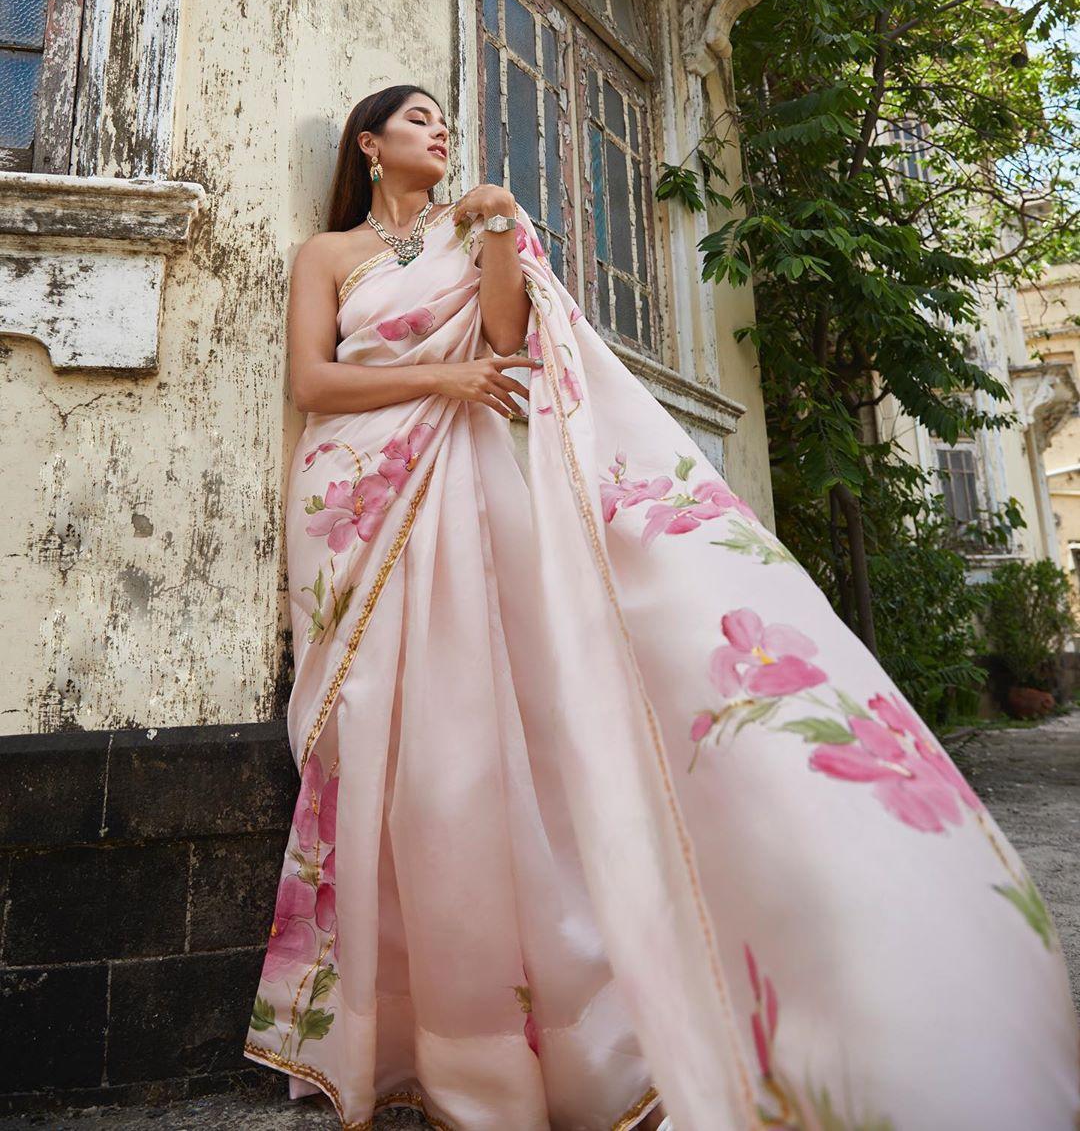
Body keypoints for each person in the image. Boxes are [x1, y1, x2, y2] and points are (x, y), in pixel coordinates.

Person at [243, 84, 1080, 1131]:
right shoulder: (327, 256)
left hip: (463, 498)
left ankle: (498, 1044)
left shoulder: (477, 232)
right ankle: (382, 1024)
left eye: (444, 118)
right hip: (358, 502)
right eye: (415, 119)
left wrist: (500, 224)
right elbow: (315, 383)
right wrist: (444, 388)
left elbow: (507, 338)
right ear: (368, 143)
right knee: (378, 739)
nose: (439, 130)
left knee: (463, 743)